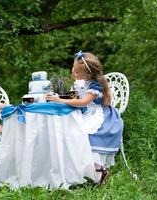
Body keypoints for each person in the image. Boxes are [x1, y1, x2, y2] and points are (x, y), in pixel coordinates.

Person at [46, 51, 124, 185]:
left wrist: (59, 100)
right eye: (73, 69)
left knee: (83, 132)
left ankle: (99, 170)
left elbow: (83, 102)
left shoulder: (95, 85)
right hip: (87, 112)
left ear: (88, 74)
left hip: (99, 115)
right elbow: (78, 98)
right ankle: (75, 168)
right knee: (69, 127)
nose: (73, 73)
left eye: (76, 72)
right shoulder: (82, 82)